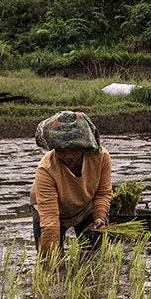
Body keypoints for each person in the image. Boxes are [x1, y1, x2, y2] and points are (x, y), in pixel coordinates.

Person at [29, 110, 112, 257]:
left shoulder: (100, 158)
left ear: (84, 146)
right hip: (51, 214)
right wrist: (52, 264)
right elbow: (50, 221)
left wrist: (100, 217)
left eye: (75, 149)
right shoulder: (46, 170)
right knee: (49, 260)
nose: (69, 156)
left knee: (94, 257)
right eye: (61, 150)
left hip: (84, 208)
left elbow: (103, 193)